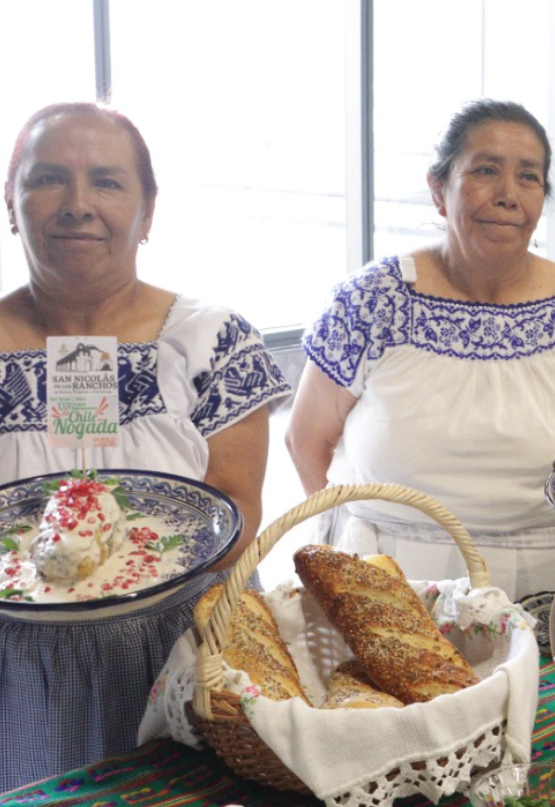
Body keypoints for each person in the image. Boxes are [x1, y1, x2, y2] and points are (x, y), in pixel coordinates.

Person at [0, 103, 289, 787]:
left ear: (148, 210)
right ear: (10, 203)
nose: (77, 204)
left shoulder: (212, 341)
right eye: (47, 179)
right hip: (16, 673)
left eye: (106, 180)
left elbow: (237, 515)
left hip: (181, 657)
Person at [287, 100, 555, 597]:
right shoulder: (371, 299)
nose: (508, 195)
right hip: (396, 582)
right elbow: (306, 441)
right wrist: (336, 555)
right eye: (486, 170)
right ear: (439, 189)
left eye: (529, 177)